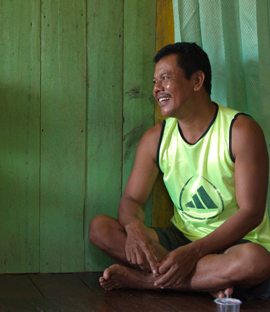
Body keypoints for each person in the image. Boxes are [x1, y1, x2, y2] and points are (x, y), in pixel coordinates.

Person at [89, 42, 270, 300]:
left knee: (256, 261)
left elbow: (251, 213)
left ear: (197, 80)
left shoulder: (240, 131)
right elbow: (131, 200)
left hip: (234, 243)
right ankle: (206, 281)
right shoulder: (156, 138)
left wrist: (195, 253)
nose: (156, 89)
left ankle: (147, 281)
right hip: (180, 239)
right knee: (100, 228)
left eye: (165, 79)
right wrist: (134, 228)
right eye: (155, 81)